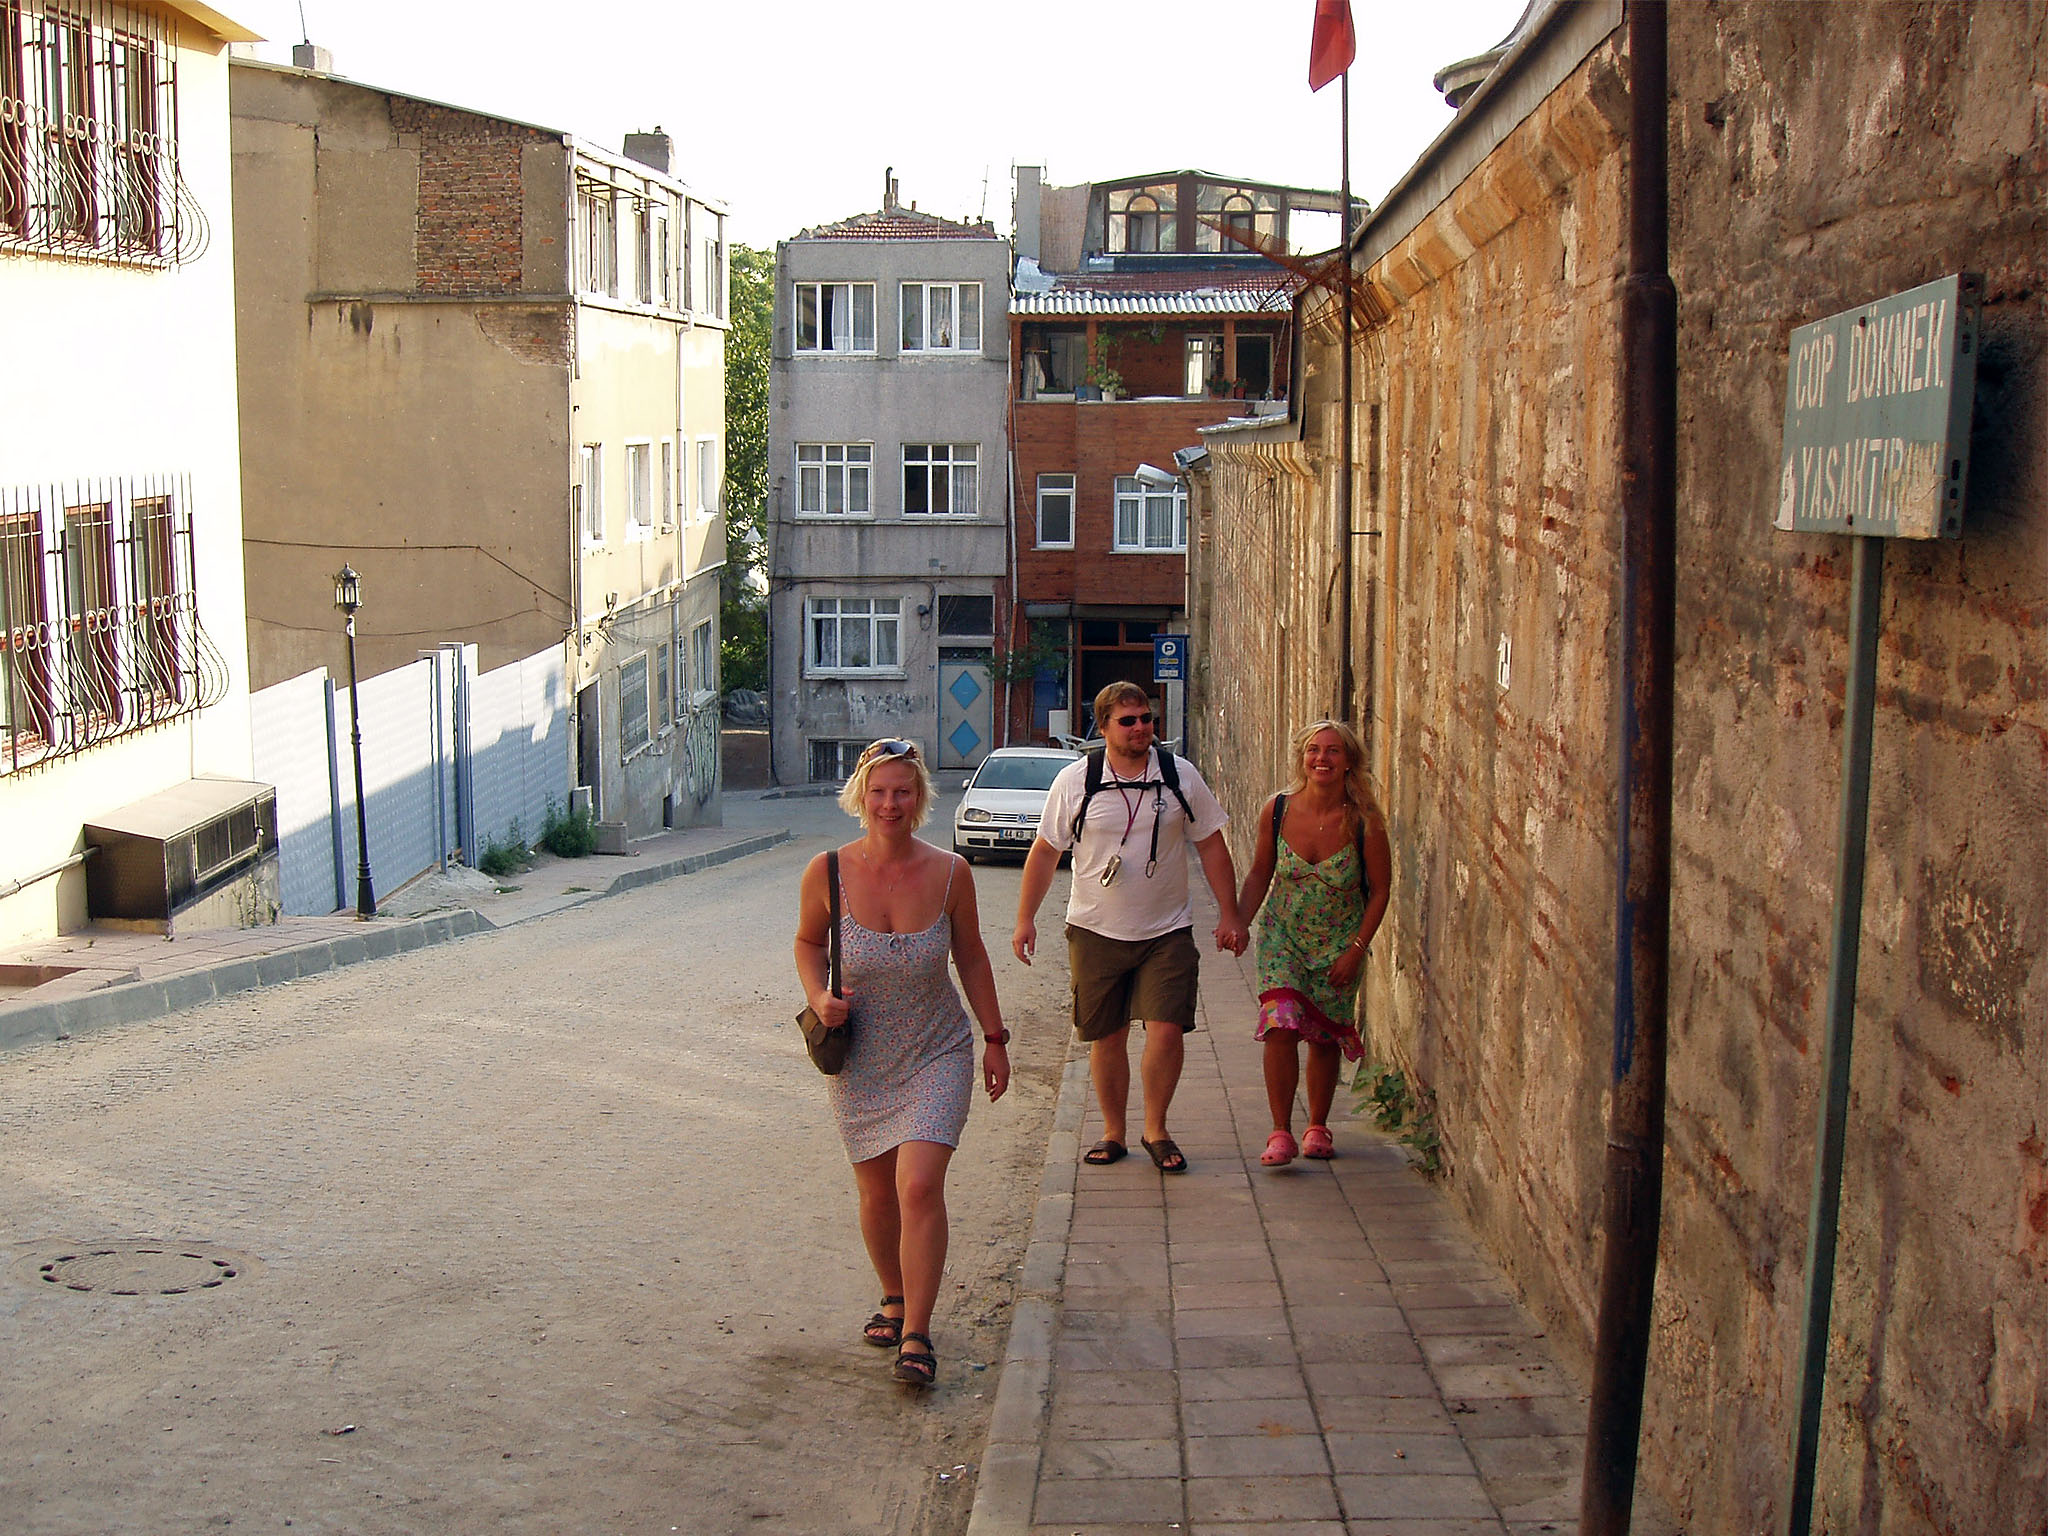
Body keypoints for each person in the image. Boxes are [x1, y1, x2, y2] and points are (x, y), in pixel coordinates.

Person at [793, 738, 1011, 1387]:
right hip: (861, 1055)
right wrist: (818, 996)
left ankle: (917, 1330)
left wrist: (995, 1037)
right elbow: (807, 942)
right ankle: (893, 1294)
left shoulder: (951, 873)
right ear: (861, 796)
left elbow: (971, 956)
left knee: (917, 1185)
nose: (890, 803)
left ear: (920, 798)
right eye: (880, 791)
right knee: (876, 1191)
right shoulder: (827, 870)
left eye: (903, 791)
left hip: (936, 1049)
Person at [1013, 682, 1247, 1174]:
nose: (1141, 728)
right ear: (1103, 728)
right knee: (1108, 1035)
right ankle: (1113, 1131)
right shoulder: (1077, 781)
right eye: (1128, 721)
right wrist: (1024, 919)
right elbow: (1046, 850)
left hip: (1167, 929)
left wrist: (1230, 914)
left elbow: (1210, 844)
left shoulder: (1178, 775)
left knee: (1167, 1028)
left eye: (1146, 718)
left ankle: (1156, 1128)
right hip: (1095, 929)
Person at [1235, 719, 1391, 1166]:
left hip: (1340, 944)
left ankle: (1317, 1125)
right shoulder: (1278, 810)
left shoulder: (1365, 822)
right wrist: (1238, 921)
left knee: (1325, 1035)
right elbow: (1259, 872)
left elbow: (1380, 890)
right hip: (1282, 938)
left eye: (1332, 751)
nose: (1322, 758)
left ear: (1349, 762)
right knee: (1280, 1025)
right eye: (1313, 750)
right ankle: (1280, 1131)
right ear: (1302, 758)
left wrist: (1356, 950)